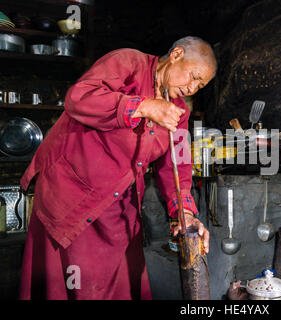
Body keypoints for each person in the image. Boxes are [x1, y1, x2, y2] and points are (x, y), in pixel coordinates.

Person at [18, 36, 216, 300]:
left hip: (118, 205)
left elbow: (177, 165)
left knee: (124, 283)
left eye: (199, 86)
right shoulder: (128, 62)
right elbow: (78, 98)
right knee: (74, 285)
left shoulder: (178, 112)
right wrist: (144, 107)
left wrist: (185, 212)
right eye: (193, 76)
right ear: (177, 54)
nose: (191, 88)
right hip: (72, 194)